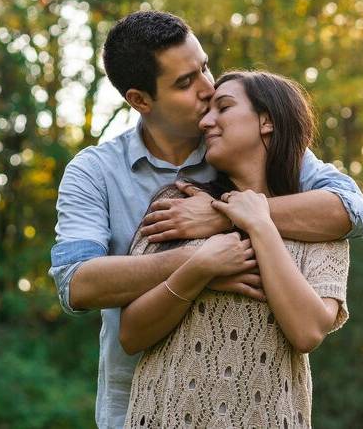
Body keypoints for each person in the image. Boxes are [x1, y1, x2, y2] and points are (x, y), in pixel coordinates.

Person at [48, 11, 363, 429]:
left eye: (204, 67)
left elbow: (350, 209)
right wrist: (200, 265)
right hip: (140, 408)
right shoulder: (94, 172)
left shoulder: (246, 139)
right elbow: (75, 283)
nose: (207, 87)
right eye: (185, 83)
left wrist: (226, 216)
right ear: (140, 100)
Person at [120, 71, 347, 428]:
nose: (206, 121)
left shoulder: (320, 226)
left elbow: (307, 332)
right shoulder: (178, 204)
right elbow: (131, 334)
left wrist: (259, 222)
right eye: (206, 111)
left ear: (267, 120)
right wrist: (199, 269)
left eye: (223, 107)